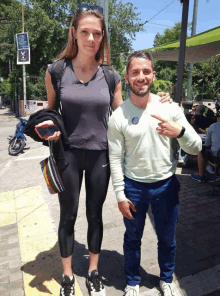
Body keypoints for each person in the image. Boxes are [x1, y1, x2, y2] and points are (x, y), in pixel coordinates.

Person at [34, 6, 171, 296]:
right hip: (67, 154)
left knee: (95, 214)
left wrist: (154, 100)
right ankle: (69, 275)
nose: (91, 38)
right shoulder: (56, 71)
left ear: (102, 36)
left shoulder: (109, 76)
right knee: (68, 216)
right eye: (85, 31)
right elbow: (50, 110)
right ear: (74, 33)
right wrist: (46, 124)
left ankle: (93, 271)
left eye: (97, 33)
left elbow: (124, 115)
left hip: (100, 156)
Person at [107, 50, 202, 296]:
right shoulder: (118, 116)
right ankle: (132, 282)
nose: (141, 76)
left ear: (153, 75)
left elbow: (197, 147)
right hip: (133, 188)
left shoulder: (169, 108)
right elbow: (115, 158)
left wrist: (179, 131)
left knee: (167, 239)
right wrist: (119, 194)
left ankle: (167, 279)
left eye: (146, 71)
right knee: (132, 239)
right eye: (135, 72)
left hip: (165, 186)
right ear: (127, 78)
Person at [191, 112, 220, 183]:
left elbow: (207, 143)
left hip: (216, 158)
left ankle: (201, 175)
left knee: (201, 150)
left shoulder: (213, 126)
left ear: (218, 118)